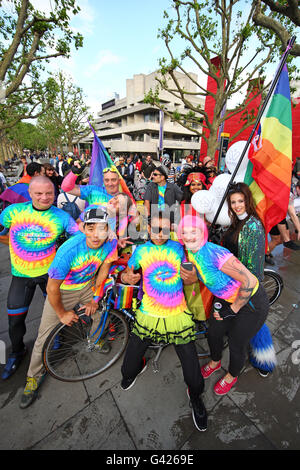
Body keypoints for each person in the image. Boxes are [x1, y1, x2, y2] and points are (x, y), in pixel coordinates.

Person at [19, 208, 118, 408]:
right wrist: (62, 313)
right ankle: (33, 377)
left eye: (102, 229)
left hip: (88, 285)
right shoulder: (69, 250)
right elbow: (52, 287)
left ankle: (95, 339)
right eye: (91, 228)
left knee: (101, 313)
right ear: (83, 228)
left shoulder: (110, 243)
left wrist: (94, 299)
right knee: (44, 336)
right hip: (63, 291)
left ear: (108, 229)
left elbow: (103, 272)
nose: (96, 234)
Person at [119, 212, 207, 432]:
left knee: (192, 371)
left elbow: (194, 273)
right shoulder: (140, 250)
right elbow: (127, 272)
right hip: (148, 314)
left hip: (177, 314)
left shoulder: (179, 248)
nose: (161, 234)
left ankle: (195, 397)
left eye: (166, 229)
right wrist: (126, 277)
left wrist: (194, 276)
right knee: (128, 367)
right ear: (148, 230)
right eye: (157, 229)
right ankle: (134, 370)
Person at [178, 215, 269, 395]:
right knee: (214, 332)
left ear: (202, 233)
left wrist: (233, 309)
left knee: (236, 343)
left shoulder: (215, 253)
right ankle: (215, 361)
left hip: (251, 303)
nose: (188, 236)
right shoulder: (192, 252)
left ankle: (232, 375)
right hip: (224, 299)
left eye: (193, 231)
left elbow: (250, 281)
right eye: (184, 232)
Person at [0, 176, 79, 380]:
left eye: (49, 193)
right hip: (21, 276)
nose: (44, 197)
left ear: (54, 193)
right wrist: (14, 244)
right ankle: (17, 352)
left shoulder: (62, 217)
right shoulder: (13, 212)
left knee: (54, 311)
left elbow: (78, 238)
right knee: (15, 321)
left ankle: (56, 335)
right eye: (39, 193)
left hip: (50, 275)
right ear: (30, 194)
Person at [224, 182, 276, 376]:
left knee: (253, 326)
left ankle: (264, 361)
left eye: (241, 201)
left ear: (248, 201)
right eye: (233, 202)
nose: (237, 205)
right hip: (234, 281)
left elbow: (251, 270)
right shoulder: (237, 221)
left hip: (247, 287)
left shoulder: (252, 226)